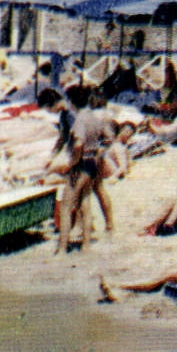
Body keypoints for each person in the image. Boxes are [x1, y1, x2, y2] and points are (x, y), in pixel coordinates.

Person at [56, 86, 113, 253]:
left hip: (81, 164)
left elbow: (78, 143)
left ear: (72, 102)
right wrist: (98, 152)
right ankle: (86, 245)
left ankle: (62, 248)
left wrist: (72, 162)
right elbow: (109, 138)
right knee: (85, 202)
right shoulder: (94, 118)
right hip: (93, 162)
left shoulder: (80, 119)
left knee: (66, 206)